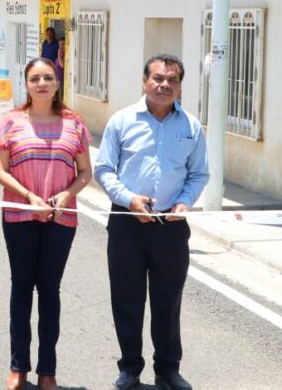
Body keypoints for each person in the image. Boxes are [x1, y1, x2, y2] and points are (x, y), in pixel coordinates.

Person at [95, 54, 209, 390]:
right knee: (127, 298)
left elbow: (199, 173)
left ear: (179, 86)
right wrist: (129, 199)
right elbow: (103, 169)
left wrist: (185, 203)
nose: (164, 85)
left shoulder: (191, 126)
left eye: (172, 80)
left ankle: (168, 369)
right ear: (145, 81)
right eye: (158, 78)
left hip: (170, 226)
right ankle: (130, 367)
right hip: (127, 221)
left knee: (167, 301)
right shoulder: (121, 121)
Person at [0, 57, 93, 390]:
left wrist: (66, 195)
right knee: (21, 288)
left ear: (57, 82)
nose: (42, 84)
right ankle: (18, 366)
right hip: (19, 216)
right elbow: (0, 171)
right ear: (27, 83)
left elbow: (85, 172)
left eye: (48, 77)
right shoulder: (10, 122)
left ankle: (47, 369)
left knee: (49, 291)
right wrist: (28, 196)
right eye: (35, 78)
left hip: (61, 218)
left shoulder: (74, 124)